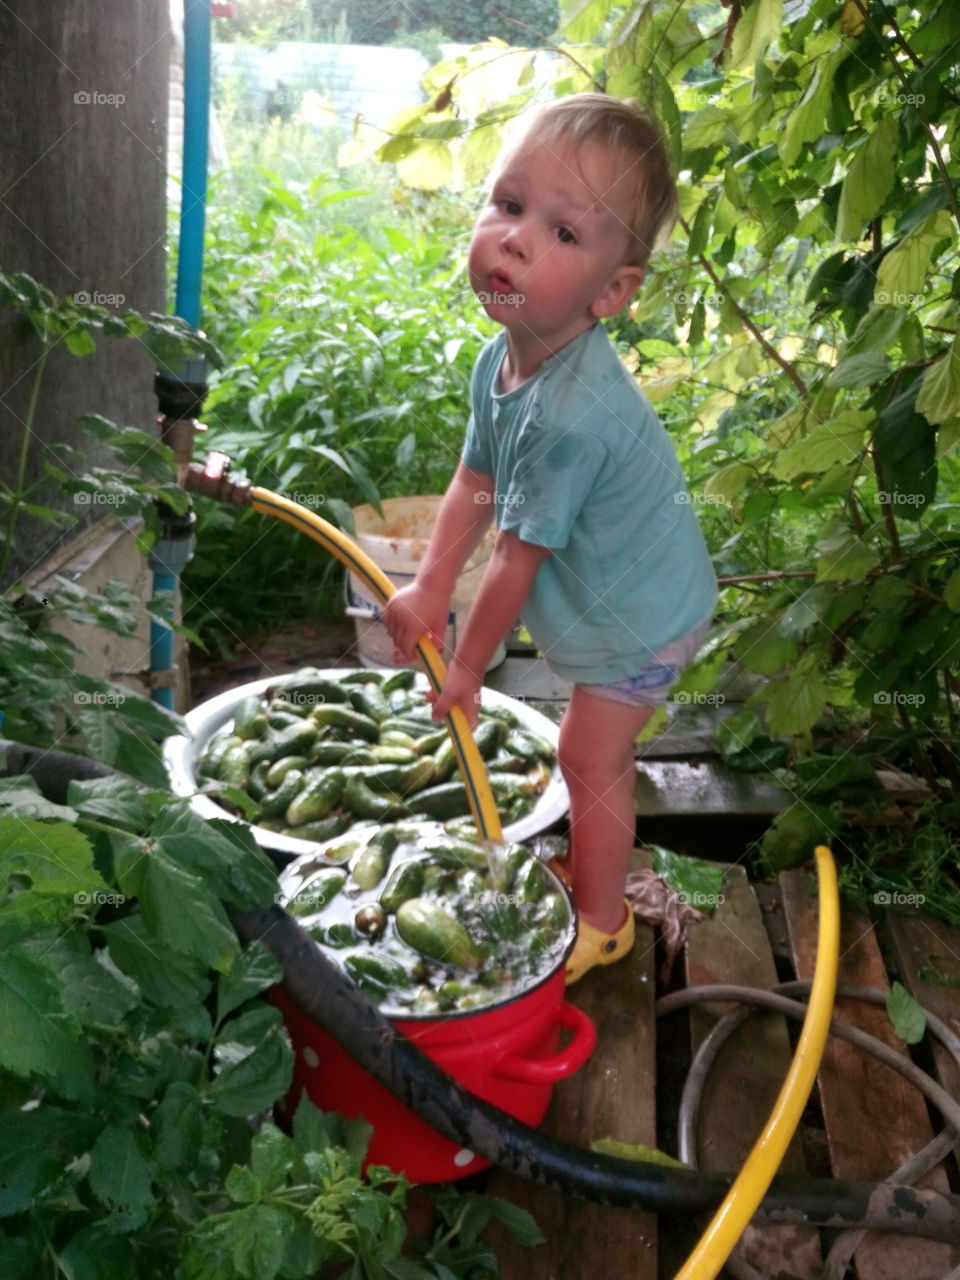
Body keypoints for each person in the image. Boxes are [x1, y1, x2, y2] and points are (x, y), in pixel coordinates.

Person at [382, 93, 718, 984]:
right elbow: (474, 484)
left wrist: (465, 666)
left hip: (644, 622)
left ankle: (604, 921)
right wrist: (425, 589)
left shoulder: (572, 413)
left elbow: (515, 558)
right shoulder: (504, 358)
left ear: (613, 292)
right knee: (585, 745)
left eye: (563, 234)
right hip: (612, 606)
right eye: (507, 203)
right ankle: (596, 876)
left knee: (587, 753)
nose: (517, 238)